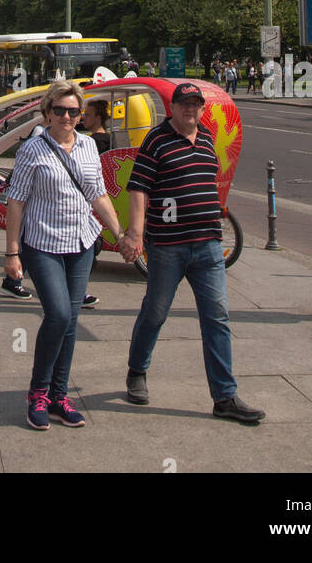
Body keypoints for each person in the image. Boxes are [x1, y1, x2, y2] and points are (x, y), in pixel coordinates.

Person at [123, 80, 265, 425]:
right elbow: (139, 187)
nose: (190, 109)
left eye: (195, 104)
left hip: (208, 245)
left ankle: (225, 396)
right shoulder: (155, 141)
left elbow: (208, 183)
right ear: (173, 108)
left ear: (202, 109)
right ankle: (137, 370)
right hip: (168, 246)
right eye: (184, 104)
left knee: (217, 318)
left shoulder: (205, 140)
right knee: (155, 312)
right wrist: (136, 233)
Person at [4, 79, 131, 430]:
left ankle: (59, 395)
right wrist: (12, 252)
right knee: (58, 315)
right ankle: (38, 393)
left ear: (81, 115)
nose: (66, 116)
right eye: (59, 110)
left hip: (81, 243)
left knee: (71, 321)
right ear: (47, 112)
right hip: (43, 243)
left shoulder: (90, 146)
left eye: (73, 111)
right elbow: (16, 201)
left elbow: (98, 195)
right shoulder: (33, 149)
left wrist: (119, 235)